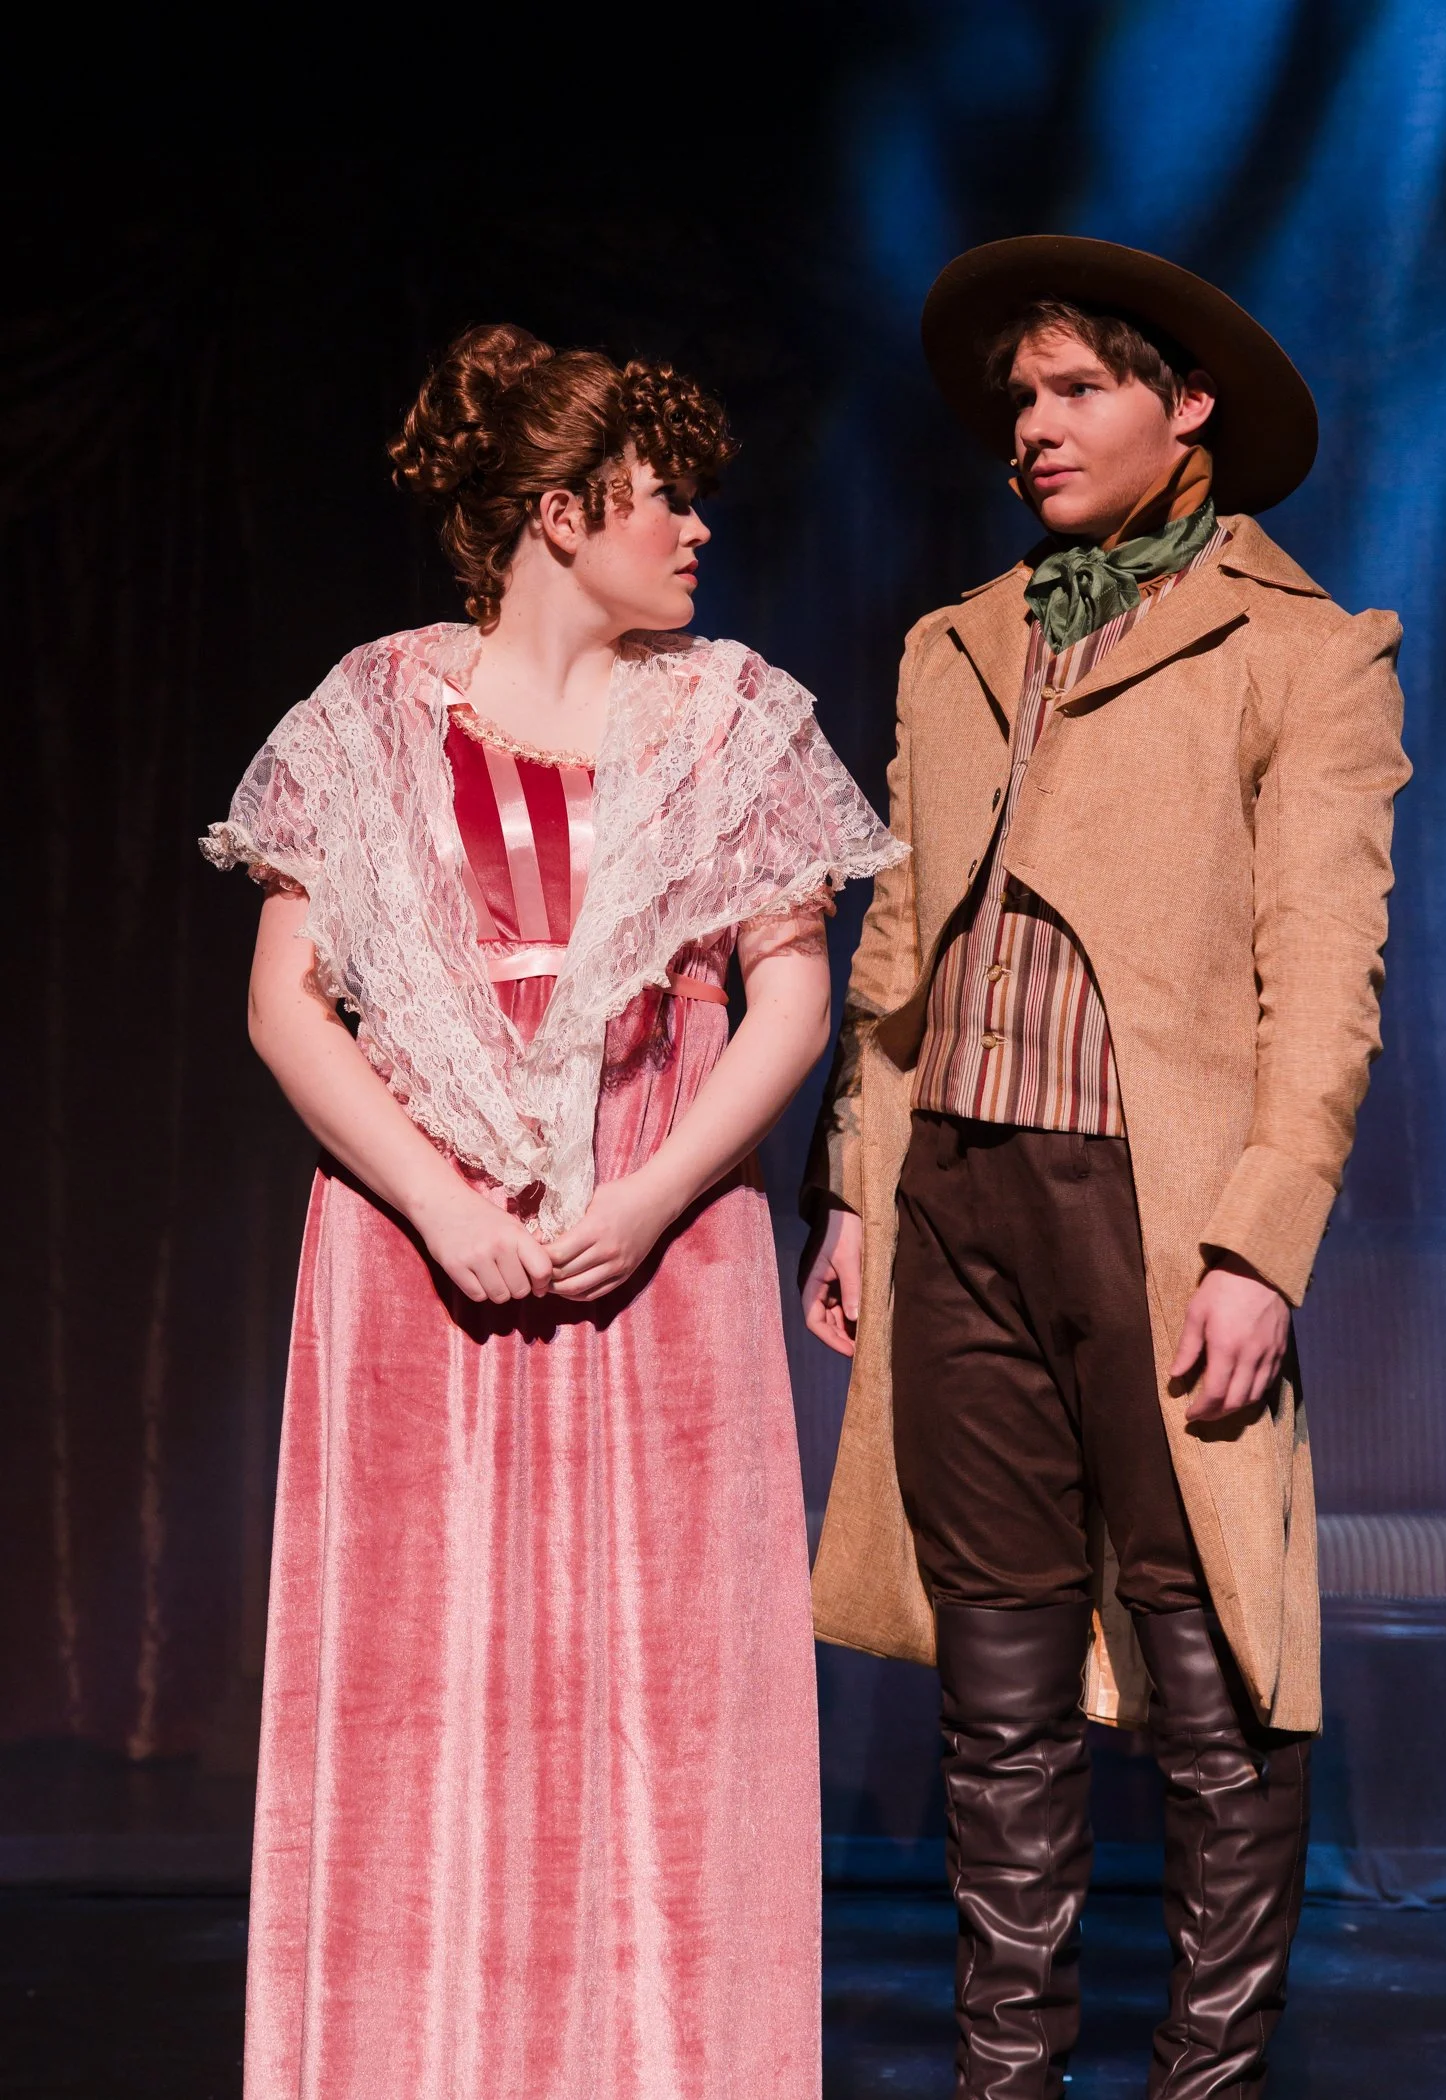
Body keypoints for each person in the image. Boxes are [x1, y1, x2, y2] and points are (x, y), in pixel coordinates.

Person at [203, 323, 902, 2100]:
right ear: (553, 513)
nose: (696, 534)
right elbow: (293, 1000)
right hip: (414, 1249)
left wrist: (657, 1195)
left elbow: (791, 998)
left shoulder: (734, 714)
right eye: (662, 501)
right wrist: (443, 1208)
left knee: (663, 1695)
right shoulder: (370, 712)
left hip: (660, 1244)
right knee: (416, 1696)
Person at [800, 237, 1409, 2098]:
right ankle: (1008, 2072)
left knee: (1211, 1678)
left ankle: (1209, 2078)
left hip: (1157, 1219)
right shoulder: (955, 645)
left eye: (1075, 391)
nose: (1030, 425)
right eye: (1020, 396)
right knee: (996, 1692)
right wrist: (850, 1180)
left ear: (1186, 409)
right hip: (954, 1205)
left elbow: (1326, 973)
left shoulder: (1302, 651)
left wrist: (1263, 1241)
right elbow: (896, 942)